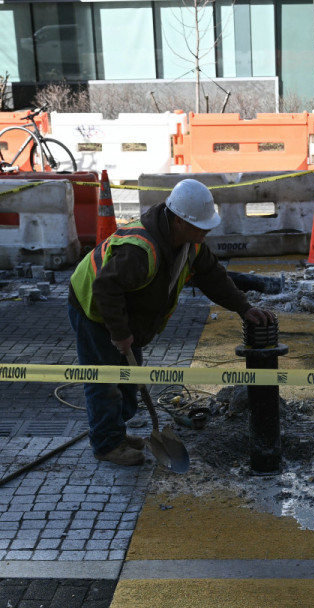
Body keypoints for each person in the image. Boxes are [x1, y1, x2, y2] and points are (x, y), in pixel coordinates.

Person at [69, 178, 277, 466]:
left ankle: (114, 431)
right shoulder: (140, 251)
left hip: (124, 313)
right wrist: (119, 333)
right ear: (178, 221)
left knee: (129, 380)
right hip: (93, 308)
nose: (206, 231)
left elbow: (213, 277)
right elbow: (105, 288)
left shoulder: (190, 244)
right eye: (200, 225)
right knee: (106, 381)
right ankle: (106, 443)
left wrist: (243, 308)